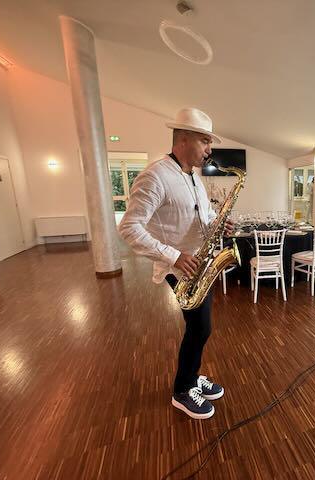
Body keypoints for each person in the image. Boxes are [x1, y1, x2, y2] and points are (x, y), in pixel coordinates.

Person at [118, 107, 233, 420]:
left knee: (201, 328)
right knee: (200, 328)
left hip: (200, 262)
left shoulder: (193, 176)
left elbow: (203, 215)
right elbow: (129, 227)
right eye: (205, 141)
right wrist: (173, 255)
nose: (209, 149)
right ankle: (183, 391)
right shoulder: (155, 176)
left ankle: (192, 378)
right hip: (180, 267)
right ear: (183, 139)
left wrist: (218, 223)